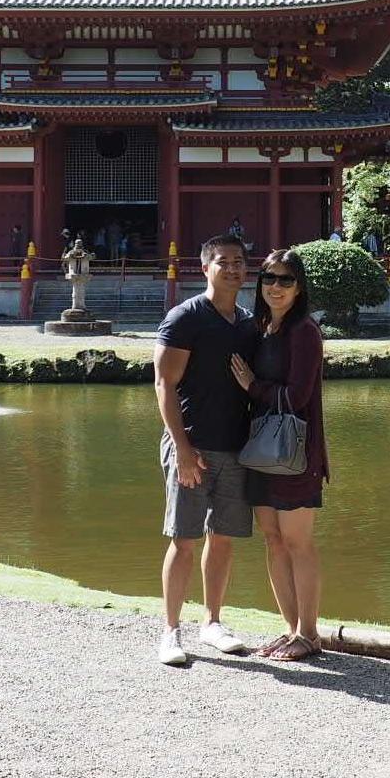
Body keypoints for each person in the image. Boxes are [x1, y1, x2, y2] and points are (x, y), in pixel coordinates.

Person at [152, 233, 259, 667]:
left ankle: (212, 622)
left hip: (236, 446)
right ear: (205, 267)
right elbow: (164, 383)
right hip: (191, 444)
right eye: (222, 261)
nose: (232, 268)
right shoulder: (186, 318)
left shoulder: (248, 322)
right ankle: (170, 631)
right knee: (185, 538)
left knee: (225, 537)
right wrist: (181, 447)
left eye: (238, 261)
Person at [230, 248, 328, 663]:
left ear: (299, 286)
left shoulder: (304, 331)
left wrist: (253, 386)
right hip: (260, 449)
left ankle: (310, 633)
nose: (276, 286)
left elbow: (299, 396)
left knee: (297, 542)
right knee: (272, 540)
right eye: (269, 278)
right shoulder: (263, 327)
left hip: (294, 451)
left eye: (285, 279)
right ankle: (291, 629)